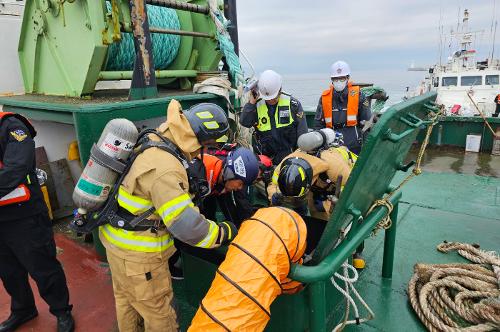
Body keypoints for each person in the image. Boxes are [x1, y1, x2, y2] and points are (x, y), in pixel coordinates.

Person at [98, 100, 238, 332]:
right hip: (140, 259)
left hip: (116, 245)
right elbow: (188, 227)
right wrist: (224, 232)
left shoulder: (154, 138)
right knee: (160, 317)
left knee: (127, 303)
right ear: (204, 139)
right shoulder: (166, 168)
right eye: (210, 145)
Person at [0, 112, 74, 332]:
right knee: (8, 271)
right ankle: (23, 310)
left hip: (25, 216)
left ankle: (62, 311)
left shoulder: (11, 127)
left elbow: (16, 170)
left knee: (42, 267)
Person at [268, 134, 366, 268]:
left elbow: (355, 187)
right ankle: (323, 248)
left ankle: (357, 251)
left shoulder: (334, 165)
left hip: (341, 182)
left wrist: (339, 200)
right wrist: (274, 195)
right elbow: (273, 184)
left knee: (349, 220)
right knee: (321, 221)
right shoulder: (285, 165)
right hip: (318, 189)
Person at [239, 70, 308, 165]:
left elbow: (302, 133)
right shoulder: (256, 105)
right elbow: (244, 122)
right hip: (266, 160)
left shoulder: (293, 105)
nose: (271, 100)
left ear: (280, 89)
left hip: (290, 158)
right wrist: (251, 103)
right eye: (268, 99)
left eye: (273, 97)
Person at [314, 61, 372, 154]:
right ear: (331, 79)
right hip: (331, 143)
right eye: (335, 79)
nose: (338, 81)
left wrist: (366, 145)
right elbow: (318, 124)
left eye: (342, 78)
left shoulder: (359, 95)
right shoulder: (324, 98)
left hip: (354, 142)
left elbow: (367, 122)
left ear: (347, 78)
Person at [199, 146, 260, 227]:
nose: (240, 188)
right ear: (230, 173)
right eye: (240, 183)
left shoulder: (218, 174)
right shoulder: (200, 173)